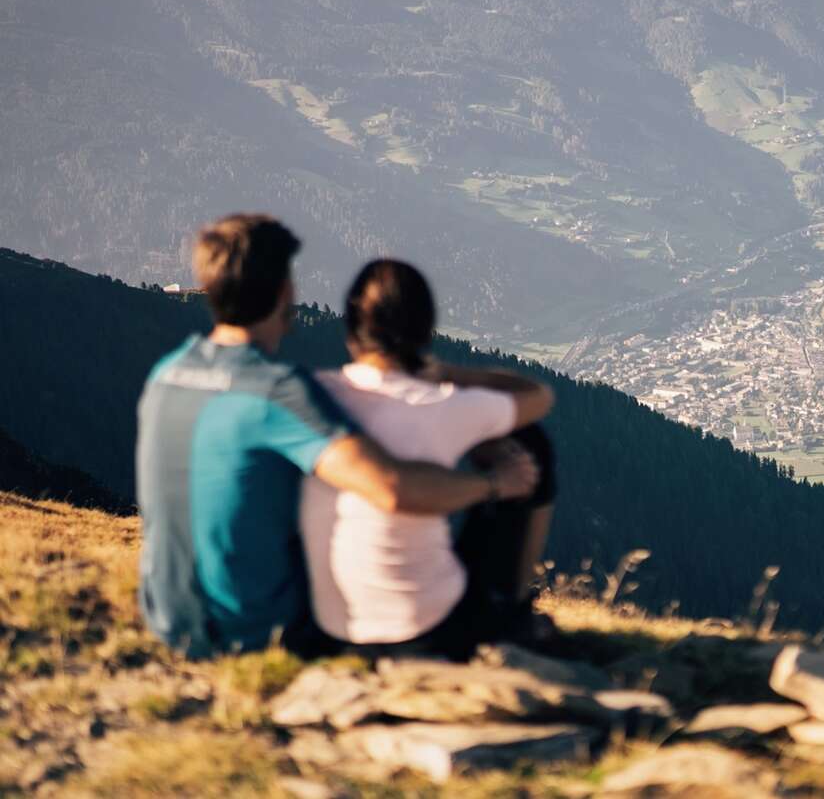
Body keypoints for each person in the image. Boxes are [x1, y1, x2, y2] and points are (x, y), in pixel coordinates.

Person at [136, 214, 541, 659]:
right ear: (283, 292)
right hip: (248, 633)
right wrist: (495, 483)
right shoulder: (275, 391)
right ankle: (506, 616)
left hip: (168, 618)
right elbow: (390, 486)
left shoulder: (168, 372)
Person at [300, 258, 558, 659]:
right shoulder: (440, 403)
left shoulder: (314, 394)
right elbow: (538, 397)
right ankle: (511, 607)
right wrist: (449, 373)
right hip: (430, 628)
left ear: (352, 330)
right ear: (425, 331)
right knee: (528, 441)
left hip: (330, 622)